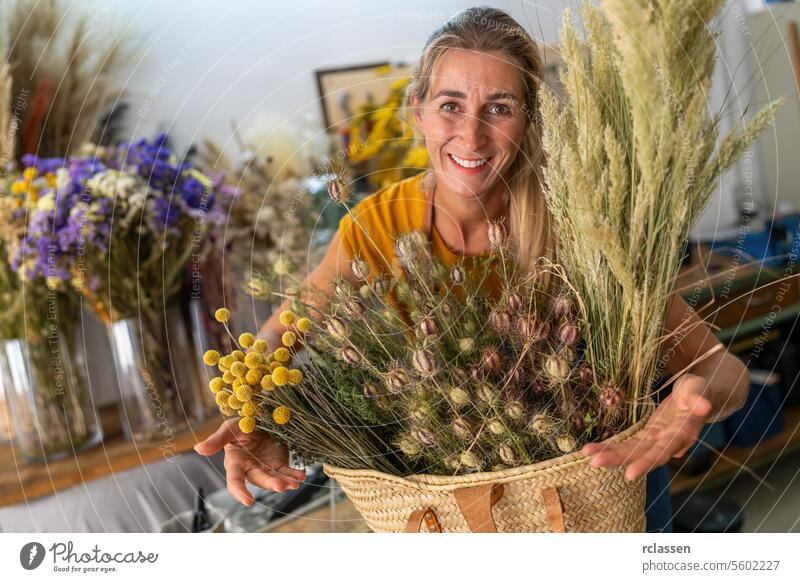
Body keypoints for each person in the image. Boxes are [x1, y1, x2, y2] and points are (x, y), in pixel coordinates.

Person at [194, 6, 751, 532]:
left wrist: (692, 401)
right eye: (451, 105)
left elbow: (729, 374)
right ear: (419, 112)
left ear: (529, 119)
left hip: (596, 493)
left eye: (500, 108)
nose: (473, 134)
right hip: (449, 516)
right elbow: (281, 335)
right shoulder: (377, 226)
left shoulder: (582, 230)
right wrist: (258, 419)